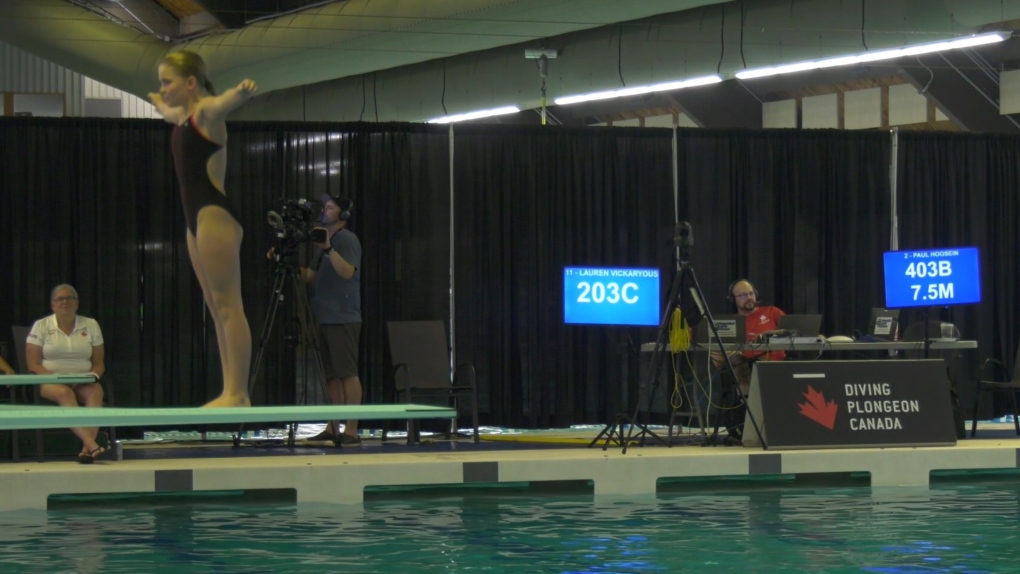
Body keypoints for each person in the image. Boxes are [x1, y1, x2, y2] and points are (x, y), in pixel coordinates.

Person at [148, 51, 257, 408]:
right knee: (214, 307)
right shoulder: (181, 117)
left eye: (167, 81)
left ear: (190, 82)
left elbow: (223, 102)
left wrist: (239, 93)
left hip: (214, 214)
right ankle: (229, 390)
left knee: (229, 306)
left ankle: (240, 392)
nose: (163, 88)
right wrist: (157, 101)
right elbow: (168, 113)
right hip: (194, 220)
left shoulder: (206, 112)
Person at [301, 195, 363, 447]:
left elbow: (348, 272)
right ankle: (332, 427)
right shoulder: (327, 243)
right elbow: (310, 277)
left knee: (347, 373)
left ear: (343, 214)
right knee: (331, 377)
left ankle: (352, 430)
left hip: (343, 317)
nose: (324, 211)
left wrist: (328, 249)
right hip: (325, 318)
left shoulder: (345, 240)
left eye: (330, 208)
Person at [25, 284, 108, 463]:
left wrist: (93, 376)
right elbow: (33, 364)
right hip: (51, 381)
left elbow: (99, 363)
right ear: (52, 305)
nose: (65, 302)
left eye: (70, 298)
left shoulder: (91, 324)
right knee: (64, 392)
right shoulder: (41, 326)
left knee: (96, 391)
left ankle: (87, 449)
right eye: (60, 299)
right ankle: (91, 444)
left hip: (83, 380)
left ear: (77, 303)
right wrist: (56, 379)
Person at [711, 279, 786, 443]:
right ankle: (746, 409)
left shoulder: (772, 312)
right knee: (737, 360)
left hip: (777, 365)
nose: (749, 298)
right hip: (746, 366)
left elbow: (792, 331)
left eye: (751, 293)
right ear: (733, 299)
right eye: (743, 295)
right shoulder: (731, 323)